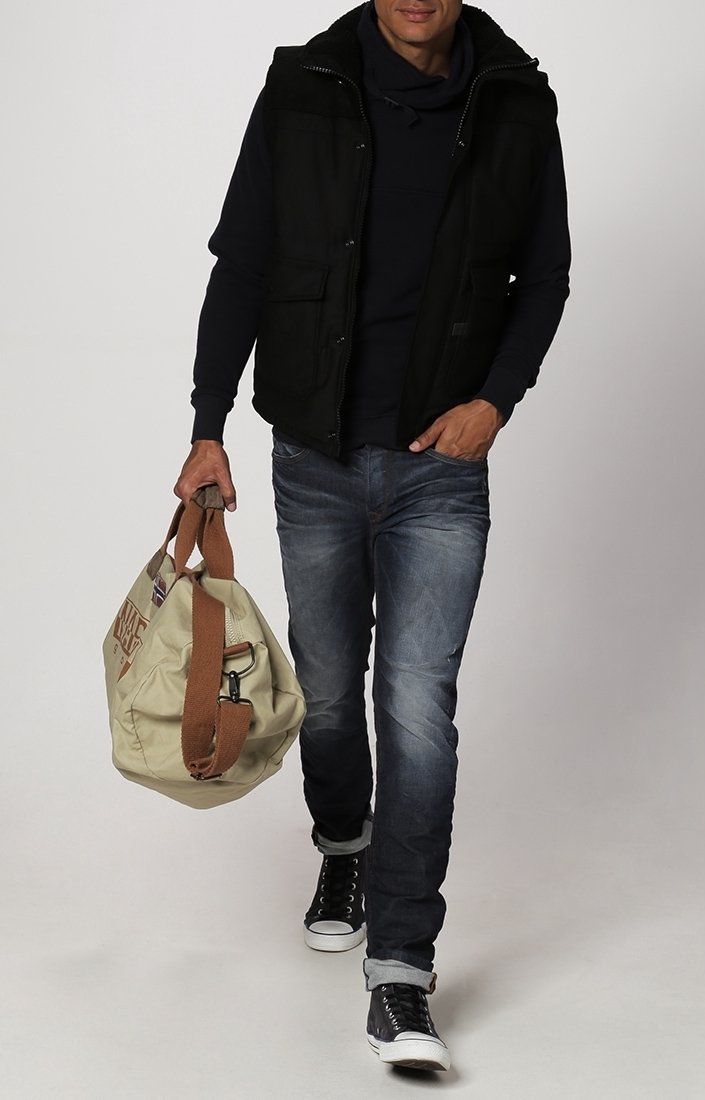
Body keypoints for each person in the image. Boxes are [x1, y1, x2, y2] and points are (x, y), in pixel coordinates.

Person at [174, 0, 570, 1073]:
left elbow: (545, 277)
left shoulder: (517, 100)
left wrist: (495, 402)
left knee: (418, 706)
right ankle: (342, 843)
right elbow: (242, 260)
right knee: (329, 691)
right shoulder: (301, 88)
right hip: (314, 458)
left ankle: (401, 966)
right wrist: (208, 425)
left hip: (441, 469)